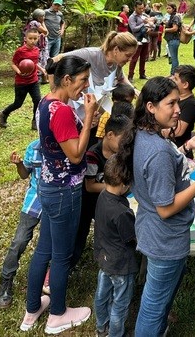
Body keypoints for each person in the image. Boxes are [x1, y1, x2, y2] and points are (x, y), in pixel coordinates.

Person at [112, 77, 195, 337]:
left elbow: (159, 172)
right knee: (154, 306)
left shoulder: (144, 134)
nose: (178, 109)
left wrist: (186, 146)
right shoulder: (157, 151)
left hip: (154, 233)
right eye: (171, 104)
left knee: (157, 299)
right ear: (151, 107)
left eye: (178, 102)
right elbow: (165, 208)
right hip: (165, 239)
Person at [20, 55, 95, 334]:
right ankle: (57, 315)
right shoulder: (61, 111)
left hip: (49, 186)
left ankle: (32, 309)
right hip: (65, 190)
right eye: (83, 80)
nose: (86, 86)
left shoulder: (45, 102)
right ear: (66, 79)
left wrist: (84, 121)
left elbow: (61, 140)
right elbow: (75, 155)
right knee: (61, 256)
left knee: (44, 250)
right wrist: (89, 117)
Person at [71, 113, 131, 269]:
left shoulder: (122, 153)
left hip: (110, 202)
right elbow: (90, 186)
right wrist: (116, 186)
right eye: (123, 140)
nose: (125, 145)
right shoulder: (92, 155)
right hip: (89, 203)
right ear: (109, 135)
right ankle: (66, 265)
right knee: (79, 236)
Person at [93, 154, 138, 337]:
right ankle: (116, 333)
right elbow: (132, 238)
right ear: (124, 184)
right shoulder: (121, 212)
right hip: (121, 264)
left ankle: (101, 326)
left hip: (104, 257)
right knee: (120, 303)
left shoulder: (102, 195)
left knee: (102, 295)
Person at [0, 140, 42, 309]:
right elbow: (24, 175)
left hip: (55, 199)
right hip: (35, 198)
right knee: (20, 241)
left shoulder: (64, 145)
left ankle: (48, 277)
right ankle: (5, 280)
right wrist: (19, 164)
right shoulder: (34, 147)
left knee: (50, 242)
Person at [0, 28, 46, 130]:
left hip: (33, 81)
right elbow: (13, 63)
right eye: (30, 38)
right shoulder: (20, 51)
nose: (32, 41)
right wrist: (18, 71)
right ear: (25, 38)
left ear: (38, 38)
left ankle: (35, 122)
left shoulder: (36, 50)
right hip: (22, 82)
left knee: (38, 100)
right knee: (18, 104)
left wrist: (42, 69)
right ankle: (3, 113)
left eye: (35, 38)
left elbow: (34, 64)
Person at [172, 65, 195, 154]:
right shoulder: (175, 97)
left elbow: (178, 131)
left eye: (175, 79)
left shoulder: (190, 105)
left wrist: (157, 130)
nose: (172, 80)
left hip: (180, 151)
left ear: (185, 84)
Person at [128, 0, 155, 81]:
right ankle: (130, 76)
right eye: (139, 8)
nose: (141, 10)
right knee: (134, 59)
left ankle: (142, 74)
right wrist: (143, 23)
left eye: (143, 8)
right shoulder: (132, 17)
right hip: (137, 40)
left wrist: (150, 28)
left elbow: (152, 25)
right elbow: (134, 29)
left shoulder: (144, 15)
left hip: (146, 39)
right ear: (135, 8)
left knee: (143, 58)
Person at [25, 9, 49, 81]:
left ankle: (44, 78)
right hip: (37, 45)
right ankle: (37, 78)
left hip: (41, 45)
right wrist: (43, 23)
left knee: (44, 60)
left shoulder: (37, 23)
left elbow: (46, 33)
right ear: (38, 17)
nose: (44, 18)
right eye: (42, 16)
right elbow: (46, 31)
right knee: (38, 60)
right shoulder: (34, 23)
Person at [163, 2, 181, 75]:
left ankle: (173, 73)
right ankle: (174, 73)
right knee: (173, 57)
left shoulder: (175, 17)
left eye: (169, 8)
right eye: (167, 8)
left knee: (174, 58)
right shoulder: (171, 16)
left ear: (174, 9)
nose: (168, 10)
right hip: (171, 40)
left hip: (174, 39)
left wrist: (166, 30)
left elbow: (175, 28)